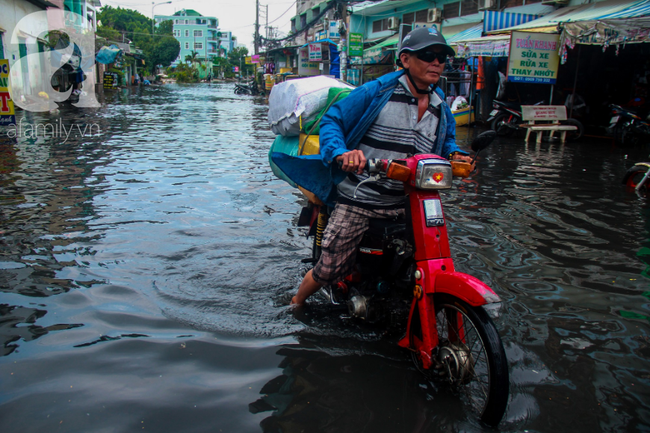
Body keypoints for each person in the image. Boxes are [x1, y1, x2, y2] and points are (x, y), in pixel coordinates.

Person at [287, 27, 473, 306]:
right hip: (362, 197)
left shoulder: (440, 106)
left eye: (442, 57)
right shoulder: (378, 91)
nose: (437, 62)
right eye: (428, 55)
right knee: (330, 268)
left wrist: (456, 154)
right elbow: (332, 121)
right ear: (406, 60)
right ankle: (297, 301)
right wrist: (341, 152)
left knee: (423, 263)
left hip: (410, 201)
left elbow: (445, 140)